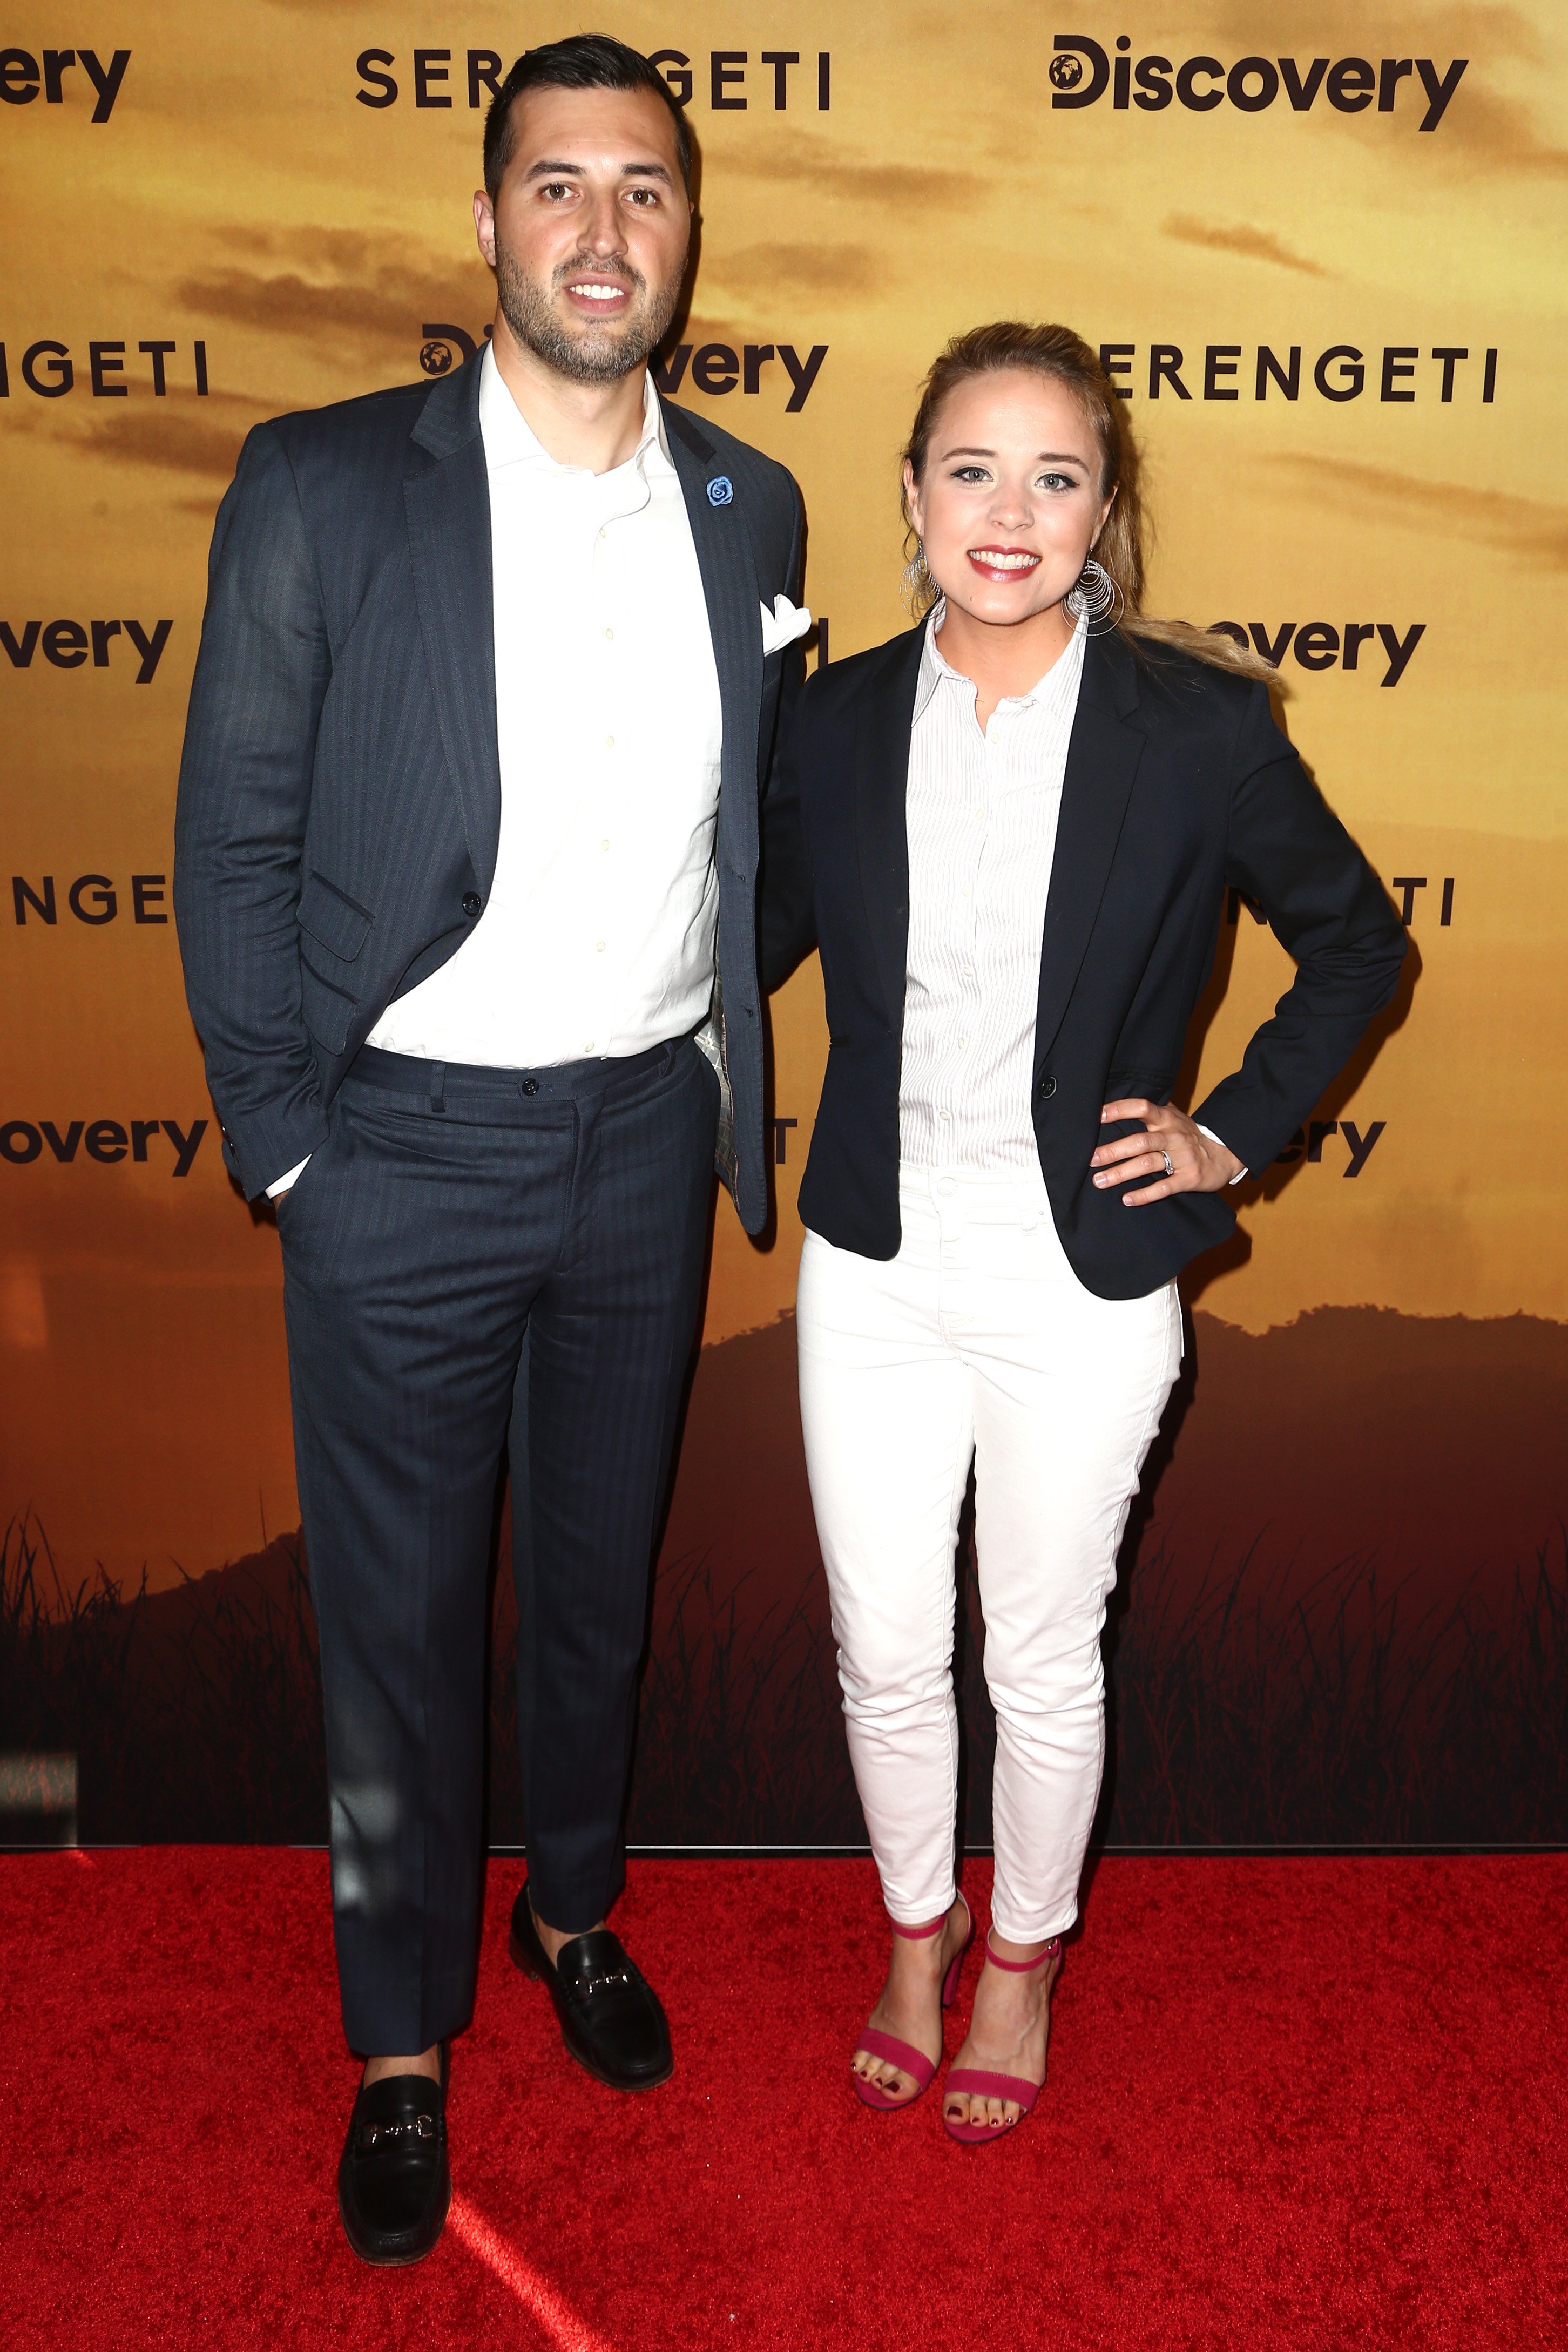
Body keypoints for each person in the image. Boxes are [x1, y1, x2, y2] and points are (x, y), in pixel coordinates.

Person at [175, 34, 806, 2261]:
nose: (603, 231)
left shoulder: (755, 504)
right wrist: (291, 1151)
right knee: (394, 1637)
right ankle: (399, 2040)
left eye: (645, 190)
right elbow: (232, 836)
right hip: (401, 1158)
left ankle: (576, 1912)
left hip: (648, 1139)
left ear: (687, 230)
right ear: (486, 225)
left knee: (592, 1608)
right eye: (559, 188)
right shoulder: (327, 484)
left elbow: (756, 835)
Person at [761, 321, 1406, 2145]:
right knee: (884, 1640)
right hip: (877, 1260)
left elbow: (1358, 940)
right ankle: (914, 1932)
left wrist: (1232, 1136)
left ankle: (1022, 1963)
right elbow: (754, 944)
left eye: (1056, 476)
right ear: (909, 493)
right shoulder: (833, 718)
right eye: (973, 468)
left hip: (1085, 1269)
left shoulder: (1196, 729)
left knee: (1039, 1650)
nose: (1010, 511)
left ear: (1105, 509)